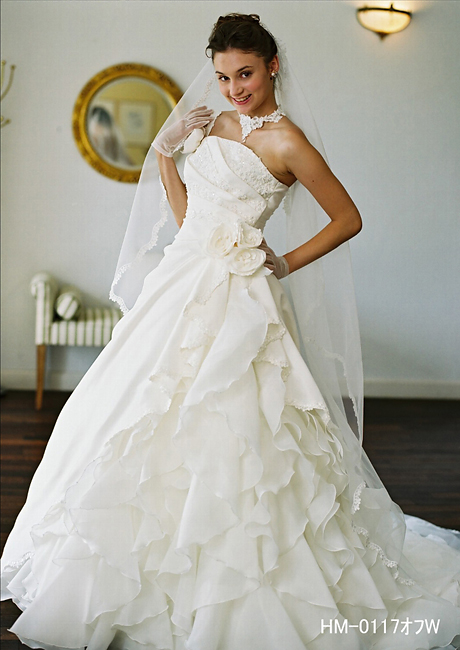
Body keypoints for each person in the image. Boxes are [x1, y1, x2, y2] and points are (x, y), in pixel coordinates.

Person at [1, 12, 459, 650]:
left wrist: (284, 262)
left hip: (241, 298)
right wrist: (167, 156)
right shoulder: (212, 123)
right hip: (179, 283)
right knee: (137, 414)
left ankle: (244, 574)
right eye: (222, 77)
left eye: (245, 74)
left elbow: (348, 218)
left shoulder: (289, 142)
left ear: (272, 66)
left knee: (242, 429)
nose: (234, 88)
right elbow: (191, 218)